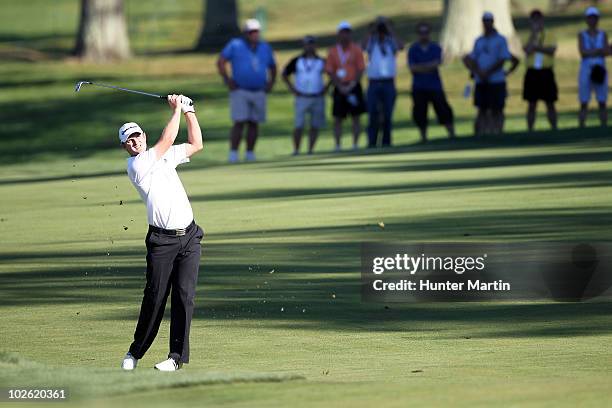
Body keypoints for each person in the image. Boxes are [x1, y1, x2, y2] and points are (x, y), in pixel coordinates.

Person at [119, 94, 204, 372]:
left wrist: (189, 111)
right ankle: (135, 352)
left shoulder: (164, 156)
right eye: (129, 140)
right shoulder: (137, 166)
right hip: (162, 242)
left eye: (137, 136)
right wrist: (176, 108)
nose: (135, 141)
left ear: (144, 135)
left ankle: (176, 358)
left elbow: (196, 144)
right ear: (125, 147)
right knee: (155, 297)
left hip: (190, 237)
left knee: (184, 296)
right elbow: (166, 140)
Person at [217, 19, 277, 162]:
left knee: (254, 122)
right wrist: (227, 79)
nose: (254, 34)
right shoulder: (235, 45)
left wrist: (271, 82)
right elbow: (221, 62)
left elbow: (272, 66)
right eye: (251, 32)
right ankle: (233, 153)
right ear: (245, 33)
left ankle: (250, 153)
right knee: (239, 122)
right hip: (240, 90)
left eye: (256, 31)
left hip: (259, 90)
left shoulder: (265, 47)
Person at [463, 12, 519, 135]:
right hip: (481, 81)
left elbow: (503, 59)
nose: (487, 24)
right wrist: (478, 72)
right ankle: (482, 134)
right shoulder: (479, 41)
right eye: (485, 21)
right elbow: (473, 58)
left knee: (497, 109)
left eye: (489, 21)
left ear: (493, 22)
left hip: (496, 80)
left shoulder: (501, 40)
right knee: (482, 109)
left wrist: (488, 72)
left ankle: (498, 132)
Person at [408, 21, 455, 142]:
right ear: (418, 34)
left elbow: (437, 63)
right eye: (421, 32)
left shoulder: (435, 47)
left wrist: (421, 67)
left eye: (426, 32)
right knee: (420, 112)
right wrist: (428, 66)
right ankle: (423, 137)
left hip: (435, 86)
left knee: (443, 110)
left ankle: (451, 134)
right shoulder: (413, 49)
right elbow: (413, 68)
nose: (424, 35)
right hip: (419, 87)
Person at [282, 35, 328, 155]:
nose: (310, 46)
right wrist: (292, 89)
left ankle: (310, 150)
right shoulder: (297, 61)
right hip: (302, 97)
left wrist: (326, 88)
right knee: (299, 125)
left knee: (315, 125)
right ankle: (296, 150)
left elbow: (332, 74)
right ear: (304, 45)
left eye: (312, 44)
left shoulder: (321, 61)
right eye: (308, 44)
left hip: (317, 97)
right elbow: (284, 74)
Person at [325, 21, 366, 151]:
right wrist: (339, 86)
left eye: (347, 32)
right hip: (339, 87)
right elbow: (330, 70)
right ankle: (337, 145)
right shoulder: (333, 51)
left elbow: (360, 69)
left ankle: (355, 144)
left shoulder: (356, 49)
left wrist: (352, 85)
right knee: (337, 117)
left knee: (356, 116)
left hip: (353, 86)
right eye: (343, 32)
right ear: (339, 34)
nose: (345, 35)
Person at [362, 17, 403, 148]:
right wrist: (372, 30)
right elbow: (362, 46)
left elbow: (401, 46)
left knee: (387, 114)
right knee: (372, 113)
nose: (381, 30)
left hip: (388, 82)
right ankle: (372, 142)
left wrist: (389, 28)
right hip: (373, 82)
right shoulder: (372, 42)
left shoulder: (390, 42)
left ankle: (386, 142)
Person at [523, 9, 558, 132]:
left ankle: (554, 128)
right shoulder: (527, 35)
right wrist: (533, 36)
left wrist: (537, 47)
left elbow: (551, 51)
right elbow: (527, 50)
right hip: (532, 72)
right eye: (534, 20)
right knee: (531, 103)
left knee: (550, 102)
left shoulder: (550, 34)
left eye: (538, 19)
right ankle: (530, 130)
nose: (536, 22)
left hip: (546, 72)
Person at [578, 6, 610, 128]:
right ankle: (581, 125)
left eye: (594, 18)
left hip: (600, 66)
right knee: (584, 99)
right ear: (587, 19)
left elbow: (607, 51)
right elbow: (582, 52)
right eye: (590, 18)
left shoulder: (603, 34)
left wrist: (594, 51)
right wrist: (599, 50)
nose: (592, 20)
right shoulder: (582, 34)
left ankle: (604, 125)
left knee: (602, 99)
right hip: (586, 67)